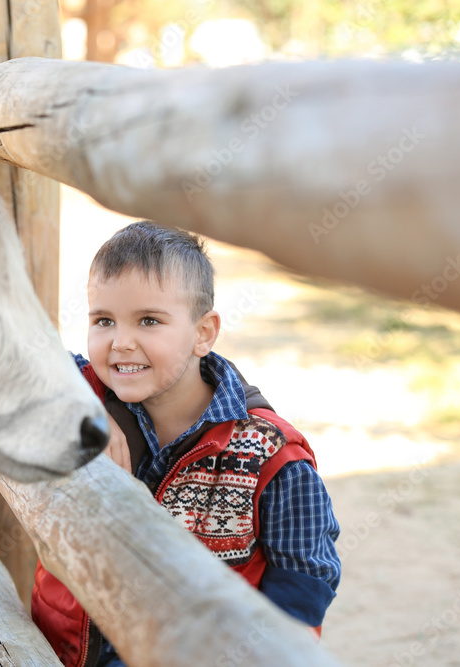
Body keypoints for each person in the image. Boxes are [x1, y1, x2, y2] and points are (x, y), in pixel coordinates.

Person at [31, 222, 341, 667]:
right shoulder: (82, 392)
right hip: (66, 652)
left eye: (149, 320)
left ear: (203, 333)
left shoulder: (269, 453)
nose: (120, 343)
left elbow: (306, 575)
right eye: (103, 320)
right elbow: (20, 360)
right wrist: (83, 406)